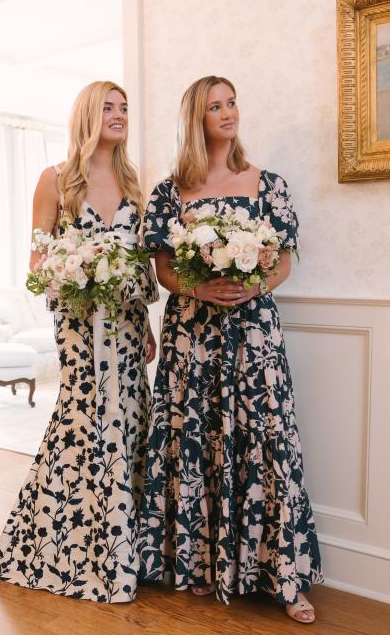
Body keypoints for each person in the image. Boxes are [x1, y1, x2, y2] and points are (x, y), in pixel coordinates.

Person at [138, 76, 322, 624]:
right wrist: (198, 288)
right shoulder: (170, 191)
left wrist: (252, 286)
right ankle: (200, 565)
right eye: (215, 106)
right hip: (192, 335)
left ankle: (285, 579)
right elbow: (164, 269)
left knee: (267, 443)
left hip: (254, 335)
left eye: (233, 102)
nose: (228, 113)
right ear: (196, 118)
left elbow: (283, 261)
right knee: (196, 440)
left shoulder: (268, 184)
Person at [0, 81, 159, 603]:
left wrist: (147, 324)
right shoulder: (56, 180)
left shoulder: (134, 183)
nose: (119, 115)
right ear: (87, 114)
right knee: (85, 418)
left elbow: (142, 263)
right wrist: (79, 269)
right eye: (108, 107)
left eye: (124, 108)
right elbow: (37, 265)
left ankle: (130, 548)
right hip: (79, 324)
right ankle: (70, 546)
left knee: (128, 417)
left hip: (128, 325)